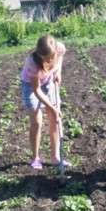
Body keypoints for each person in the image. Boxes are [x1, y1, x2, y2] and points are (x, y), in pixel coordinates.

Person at [20, 34, 71, 170]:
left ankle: (56, 158)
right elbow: (37, 91)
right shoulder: (32, 63)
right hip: (31, 86)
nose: (48, 60)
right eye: (45, 58)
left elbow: (60, 60)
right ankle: (36, 158)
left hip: (48, 82)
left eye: (50, 57)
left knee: (54, 120)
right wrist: (53, 107)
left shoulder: (59, 48)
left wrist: (58, 72)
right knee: (37, 121)